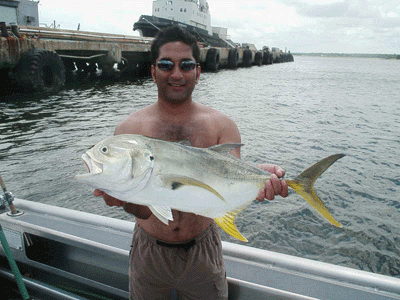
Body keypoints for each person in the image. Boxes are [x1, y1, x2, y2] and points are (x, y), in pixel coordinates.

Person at [94, 25, 288, 300]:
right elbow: (143, 210)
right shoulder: (129, 132)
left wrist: (259, 182)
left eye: (186, 65)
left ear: (198, 72)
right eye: (165, 64)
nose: (176, 74)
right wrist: (121, 198)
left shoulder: (222, 125)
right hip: (149, 251)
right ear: (153, 71)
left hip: (203, 250)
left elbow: (229, 186)